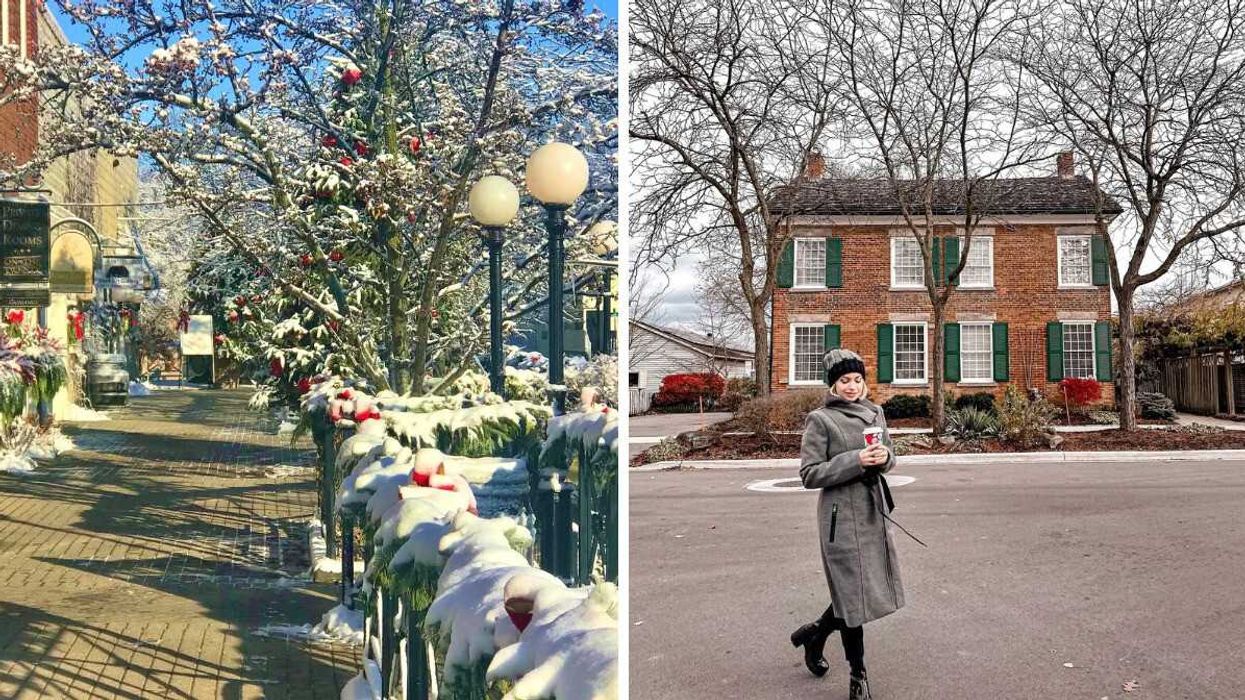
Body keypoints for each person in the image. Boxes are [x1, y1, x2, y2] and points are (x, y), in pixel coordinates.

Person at [791, 348, 904, 700]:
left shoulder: (876, 413)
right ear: (833, 385)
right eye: (844, 380)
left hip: (871, 512)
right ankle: (859, 676)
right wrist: (854, 460)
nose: (852, 386)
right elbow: (809, 474)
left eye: (857, 379)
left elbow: (890, 456)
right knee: (852, 596)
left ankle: (816, 634)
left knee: (860, 590)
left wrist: (885, 458)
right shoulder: (820, 419)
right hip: (840, 518)